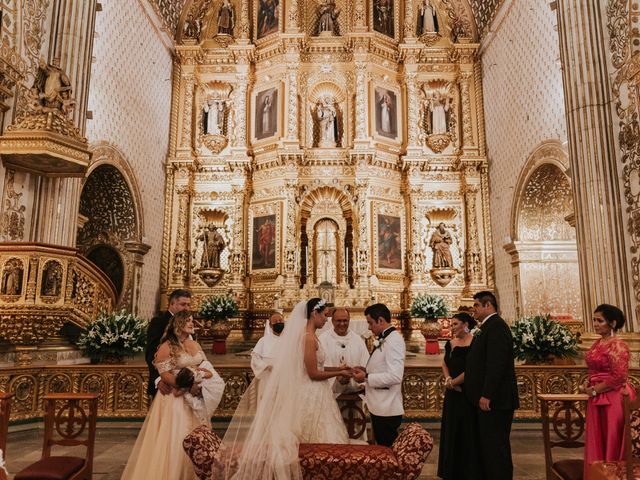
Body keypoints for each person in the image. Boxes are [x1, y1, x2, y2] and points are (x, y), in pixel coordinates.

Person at [220, 298, 351, 478]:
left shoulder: (310, 336)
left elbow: (316, 368)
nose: (326, 320)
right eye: (325, 315)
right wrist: (338, 374)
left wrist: (340, 369)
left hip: (317, 392)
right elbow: (313, 373)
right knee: (314, 440)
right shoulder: (308, 338)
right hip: (311, 392)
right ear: (315, 313)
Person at [122, 312, 207, 480]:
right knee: (177, 436)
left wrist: (203, 378)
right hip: (174, 400)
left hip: (195, 398)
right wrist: (187, 386)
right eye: (187, 320)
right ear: (178, 324)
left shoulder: (193, 343)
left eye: (192, 320)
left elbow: (204, 365)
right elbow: (165, 374)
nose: (192, 322)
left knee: (198, 437)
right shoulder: (166, 346)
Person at [464, 291, 519, 480]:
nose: (474, 309)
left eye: (477, 305)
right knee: (489, 447)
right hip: (492, 400)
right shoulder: (488, 327)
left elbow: (497, 364)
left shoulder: (496, 327)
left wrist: (487, 394)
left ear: (488, 305)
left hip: (496, 401)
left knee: (496, 447)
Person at [580, 304, 635, 477]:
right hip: (597, 395)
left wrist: (595, 390)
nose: (595, 324)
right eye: (594, 320)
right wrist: (589, 386)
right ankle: (597, 474)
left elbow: (619, 376)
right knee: (597, 438)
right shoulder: (597, 343)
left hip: (613, 397)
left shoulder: (618, 345)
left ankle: (612, 475)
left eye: (600, 320)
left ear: (612, 322)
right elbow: (594, 370)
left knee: (611, 437)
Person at [437, 312, 483, 480]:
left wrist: (455, 382)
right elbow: (444, 363)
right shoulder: (451, 343)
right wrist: (448, 379)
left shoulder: (475, 342)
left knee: (467, 429)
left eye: (455, 324)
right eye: (451, 324)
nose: (451, 327)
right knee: (452, 428)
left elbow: (473, 368)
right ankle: (452, 469)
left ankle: (468, 470)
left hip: (467, 392)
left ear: (465, 324)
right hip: (452, 393)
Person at [353, 303, 405, 447]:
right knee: (383, 449)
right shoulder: (386, 338)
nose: (369, 327)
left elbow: (395, 376)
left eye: (370, 323)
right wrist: (365, 370)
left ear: (380, 320)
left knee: (387, 451)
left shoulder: (393, 340)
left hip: (387, 407)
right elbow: (383, 367)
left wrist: (366, 377)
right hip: (381, 405)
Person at [320, 307, 370, 441]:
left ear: (349, 320)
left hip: (354, 394)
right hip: (333, 394)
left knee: (355, 427)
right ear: (332, 321)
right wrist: (338, 378)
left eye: (345, 320)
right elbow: (319, 367)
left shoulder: (357, 340)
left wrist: (357, 377)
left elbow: (366, 365)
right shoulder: (323, 339)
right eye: (338, 321)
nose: (342, 324)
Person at [145, 289, 192, 397]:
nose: (186, 308)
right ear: (172, 303)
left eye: (189, 305)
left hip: (186, 385)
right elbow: (151, 353)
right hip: (164, 384)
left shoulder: (189, 324)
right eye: (183, 304)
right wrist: (158, 379)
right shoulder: (159, 322)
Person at [175, 360, 226, 426]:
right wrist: (203, 370)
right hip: (197, 393)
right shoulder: (198, 376)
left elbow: (176, 394)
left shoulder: (194, 379)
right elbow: (210, 374)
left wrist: (182, 390)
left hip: (193, 393)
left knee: (195, 403)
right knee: (197, 406)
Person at [250, 311, 284, 395]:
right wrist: (266, 366)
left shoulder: (290, 340)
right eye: (275, 322)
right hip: (268, 378)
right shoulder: (263, 341)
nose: (278, 323)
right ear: (270, 325)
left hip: (285, 378)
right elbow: (255, 359)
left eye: (280, 321)